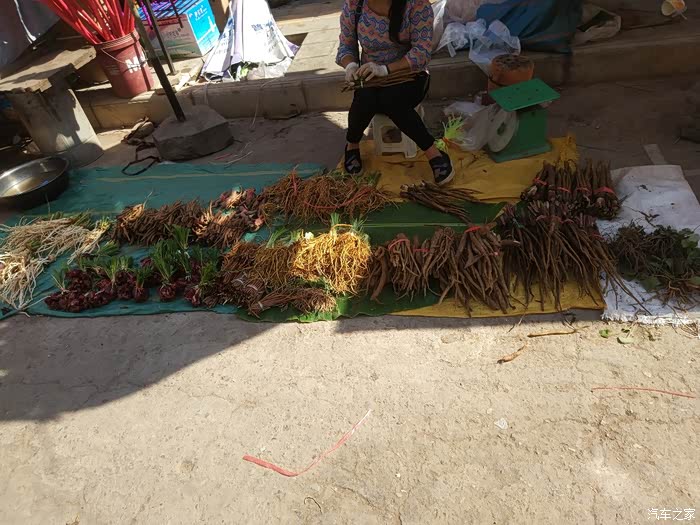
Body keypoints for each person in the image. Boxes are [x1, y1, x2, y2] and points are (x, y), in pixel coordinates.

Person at [337, 0, 455, 185]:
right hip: (371, 78)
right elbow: (346, 45)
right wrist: (350, 66)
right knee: (365, 97)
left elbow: (422, 52)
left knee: (391, 99)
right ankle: (352, 144)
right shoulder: (354, 5)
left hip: (409, 76)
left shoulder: (416, 5)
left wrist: (385, 69)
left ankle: (433, 153)